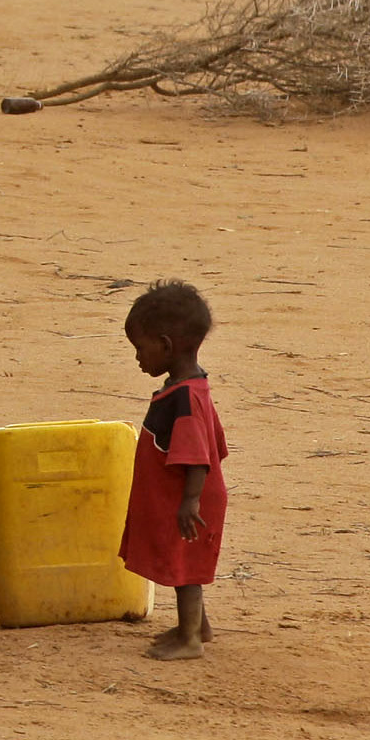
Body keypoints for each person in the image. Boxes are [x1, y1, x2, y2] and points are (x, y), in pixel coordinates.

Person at [121, 281, 228, 662]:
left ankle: (189, 640)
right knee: (187, 563)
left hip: (187, 499)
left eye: (140, 348)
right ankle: (198, 625)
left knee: (185, 571)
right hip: (185, 494)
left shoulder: (184, 397)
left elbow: (199, 454)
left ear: (165, 346)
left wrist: (190, 501)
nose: (137, 358)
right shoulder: (191, 387)